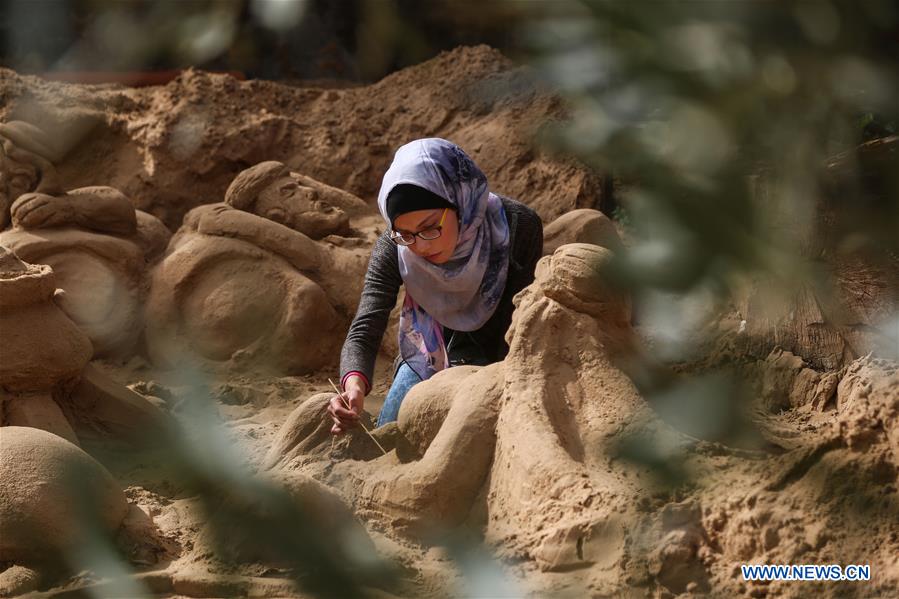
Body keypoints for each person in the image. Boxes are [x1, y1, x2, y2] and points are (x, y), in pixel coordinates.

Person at [328, 138, 543, 433]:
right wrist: (353, 386)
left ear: (460, 202)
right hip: (427, 357)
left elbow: (524, 323)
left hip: (501, 360)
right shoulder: (394, 246)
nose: (418, 247)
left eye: (430, 228)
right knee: (395, 431)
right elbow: (366, 325)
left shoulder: (517, 226)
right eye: (405, 234)